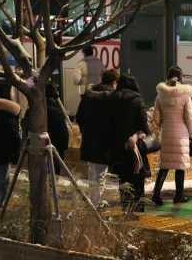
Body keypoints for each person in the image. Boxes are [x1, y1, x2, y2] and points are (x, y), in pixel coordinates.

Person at [106, 74, 149, 219]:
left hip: (117, 145)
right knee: (136, 177)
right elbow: (143, 124)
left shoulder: (111, 99)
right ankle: (134, 210)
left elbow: (108, 123)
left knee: (123, 179)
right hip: (133, 145)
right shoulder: (137, 100)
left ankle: (125, 209)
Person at [151, 67, 192, 205]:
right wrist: (191, 131)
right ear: (180, 78)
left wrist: (163, 125)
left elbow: (156, 118)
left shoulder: (161, 94)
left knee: (165, 165)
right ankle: (179, 196)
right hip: (181, 133)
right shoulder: (185, 94)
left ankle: (156, 193)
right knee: (180, 166)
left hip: (166, 131)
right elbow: (189, 116)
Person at [76, 69, 119, 207]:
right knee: (100, 173)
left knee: (92, 169)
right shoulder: (113, 98)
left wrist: (85, 129)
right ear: (113, 83)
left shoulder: (88, 96)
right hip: (105, 140)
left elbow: (79, 117)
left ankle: (92, 198)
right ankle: (95, 202)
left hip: (89, 138)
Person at [45, 82, 69, 175]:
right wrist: (64, 147)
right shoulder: (56, 113)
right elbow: (63, 134)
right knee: (53, 180)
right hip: (54, 152)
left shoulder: (33, 110)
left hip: (36, 153)